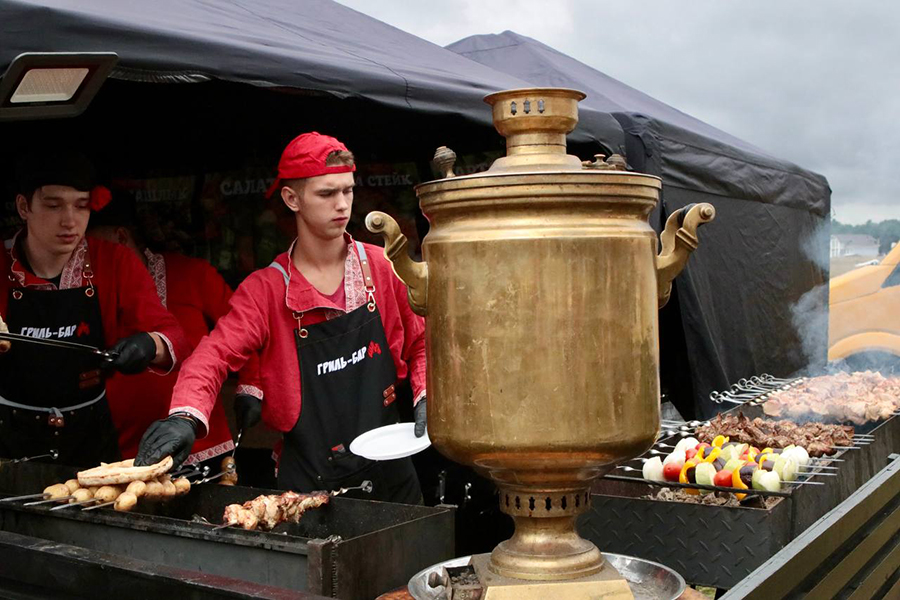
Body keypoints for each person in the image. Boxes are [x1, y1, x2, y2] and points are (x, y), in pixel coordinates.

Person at [136, 133, 427, 503]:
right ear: (292, 199)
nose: (342, 205)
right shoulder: (266, 291)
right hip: (308, 485)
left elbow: (422, 342)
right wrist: (185, 417)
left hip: (392, 474)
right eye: (326, 193)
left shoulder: (383, 268)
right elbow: (212, 357)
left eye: (348, 191)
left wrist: (425, 395)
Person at [0, 152, 190, 467]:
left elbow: (176, 339)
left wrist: (147, 345)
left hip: (91, 437)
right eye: (53, 205)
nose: (70, 221)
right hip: (8, 436)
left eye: (81, 205)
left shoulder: (115, 262)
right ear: (23, 207)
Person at [89, 198, 258, 466]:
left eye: (93, 249)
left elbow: (246, 330)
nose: (90, 259)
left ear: (120, 237)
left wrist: (251, 386)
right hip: (127, 455)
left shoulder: (193, 274)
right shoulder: (91, 289)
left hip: (203, 445)